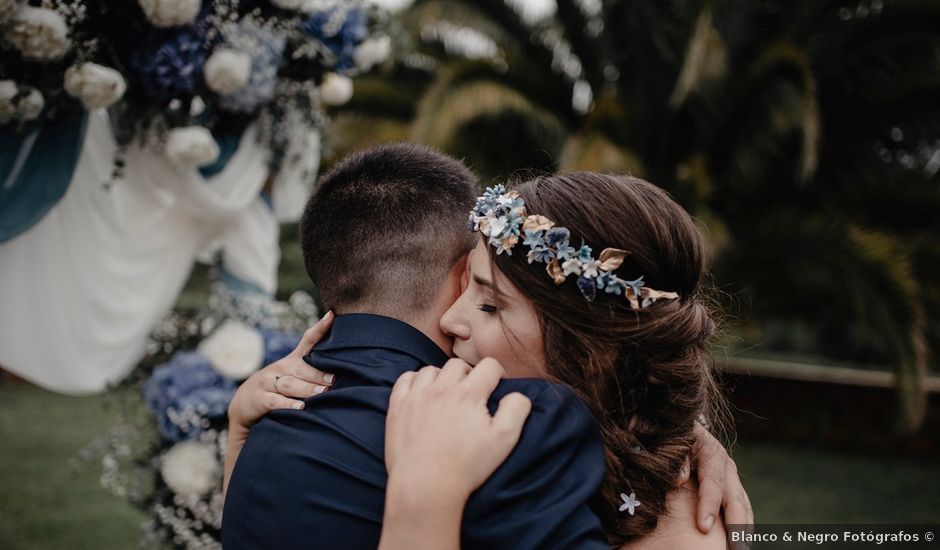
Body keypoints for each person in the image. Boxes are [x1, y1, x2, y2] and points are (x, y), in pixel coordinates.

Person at [222, 145, 751, 548]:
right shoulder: (555, 430)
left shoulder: (683, 517)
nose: (451, 319)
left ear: (593, 349)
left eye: (491, 304)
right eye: (467, 286)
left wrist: (426, 494)